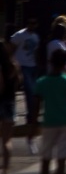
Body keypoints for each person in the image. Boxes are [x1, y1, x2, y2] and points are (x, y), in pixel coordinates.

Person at [10, 18, 40, 155]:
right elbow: (11, 48)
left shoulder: (35, 36)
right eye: (31, 23)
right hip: (22, 66)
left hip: (32, 65)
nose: (32, 25)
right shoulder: (19, 35)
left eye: (34, 23)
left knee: (32, 92)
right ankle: (18, 115)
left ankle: (30, 116)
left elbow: (36, 51)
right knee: (27, 91)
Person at [1, 40, 21, 174]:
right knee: (7, 140)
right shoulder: (13, 65)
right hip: (9, 101)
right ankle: (5, 171)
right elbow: (18, 82)